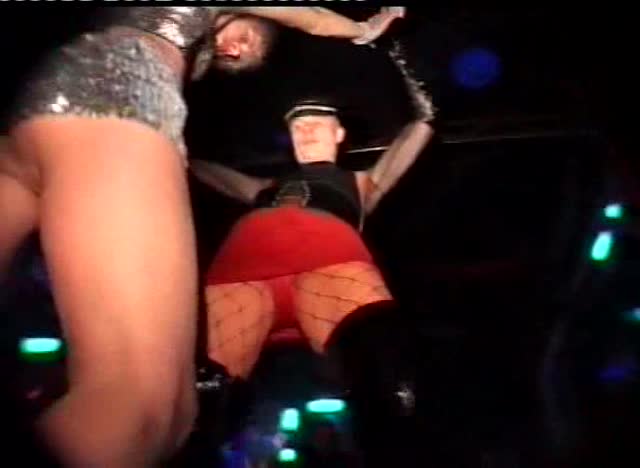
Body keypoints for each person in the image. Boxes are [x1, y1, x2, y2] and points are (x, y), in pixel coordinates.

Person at [0, 7, 402, 467]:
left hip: (28, 105)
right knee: (148, 411)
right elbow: (312, 17)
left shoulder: (349, 183)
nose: (236, 48)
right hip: (113, 98)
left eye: (237, 54)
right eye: (248, 35)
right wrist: (365, 28)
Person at [190, 47, 434, 466]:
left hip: (327, 263)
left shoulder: (360, 182)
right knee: (209, 387)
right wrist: (175, 149)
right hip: (249, 269)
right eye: (298, 128)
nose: (305, 133)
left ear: (340, 134)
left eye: (316, 125)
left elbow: (418, 131)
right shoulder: (267, 188)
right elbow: (211, 173)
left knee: (378, 377)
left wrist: (420, 90)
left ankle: (390, 438)